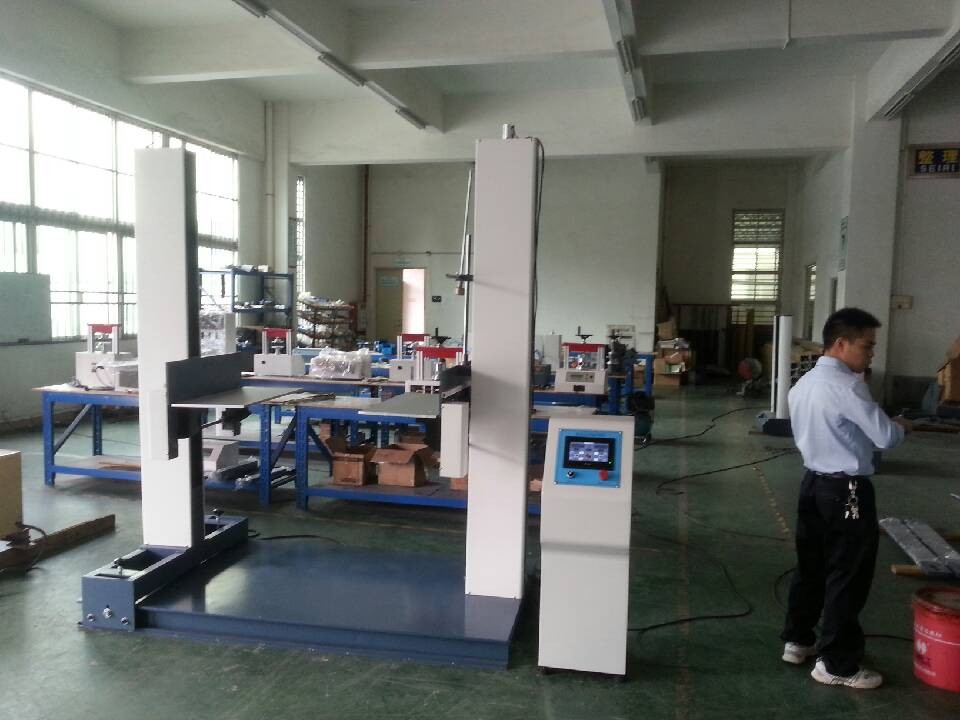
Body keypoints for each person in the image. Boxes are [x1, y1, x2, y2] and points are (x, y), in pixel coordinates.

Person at [780, 307, 912, 690]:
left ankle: (798, 639)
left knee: (811, 565)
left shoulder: (804, 384)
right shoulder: (848, 387)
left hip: (813, 484)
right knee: (848, 573)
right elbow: (885, 437)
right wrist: (901, 426)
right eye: (866, 346)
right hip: (847, 490)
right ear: (841, 344)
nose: (871, 354)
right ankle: (837, 663)